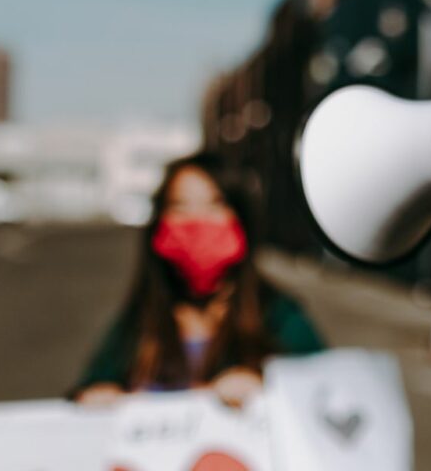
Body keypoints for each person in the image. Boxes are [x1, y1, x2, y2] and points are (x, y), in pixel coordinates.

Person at [73, 154, 323, 408]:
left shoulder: (278, 316)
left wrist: (268, 387)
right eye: (180, 207)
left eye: (215, 205)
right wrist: (96, 396)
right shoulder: (141, 322)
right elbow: (89, 389)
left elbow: (327, 390)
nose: (197, 221)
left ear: (241, 218)